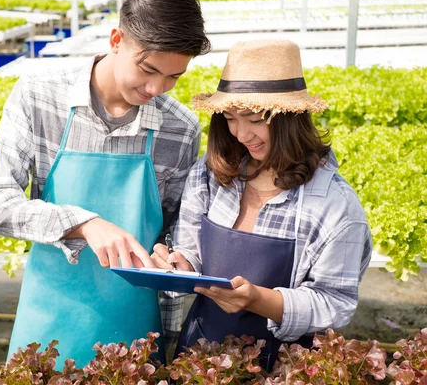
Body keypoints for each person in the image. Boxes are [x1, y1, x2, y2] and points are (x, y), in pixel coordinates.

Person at [0, 0, 211, 367]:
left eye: (173, 78)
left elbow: (175, 225)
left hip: (135, 325)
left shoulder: (180, 127)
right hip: (49, 321)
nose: (156, 89)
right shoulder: (39, 98)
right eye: (148, 69)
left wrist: (176, 253)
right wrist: (83, 223)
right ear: (116, 40)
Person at [150, 39, 373, 370]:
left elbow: (335, 303)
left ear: (290, 118)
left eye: (254, 119)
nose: (240, 134)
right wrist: (180, 266)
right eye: (229, 117)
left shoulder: (335, 205)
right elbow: (192, 252)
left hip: (285, 366)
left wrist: (260, 300)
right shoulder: (210, 174)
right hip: (201, 358)